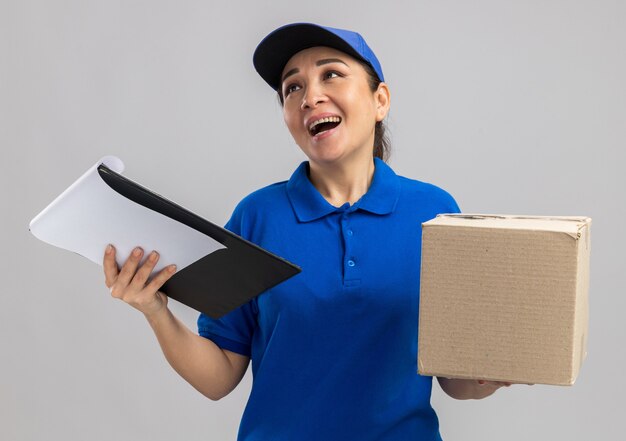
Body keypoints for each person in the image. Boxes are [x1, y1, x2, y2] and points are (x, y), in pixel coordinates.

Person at [103, 23, 512, 441]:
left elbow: (454, 380)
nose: (310, 96)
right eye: (292, 88)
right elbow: (219, 376)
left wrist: (492, 373)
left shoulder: (434, 212)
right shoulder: (256, 217)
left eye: (331, 74)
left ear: (380, 100)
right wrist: (157, 312)